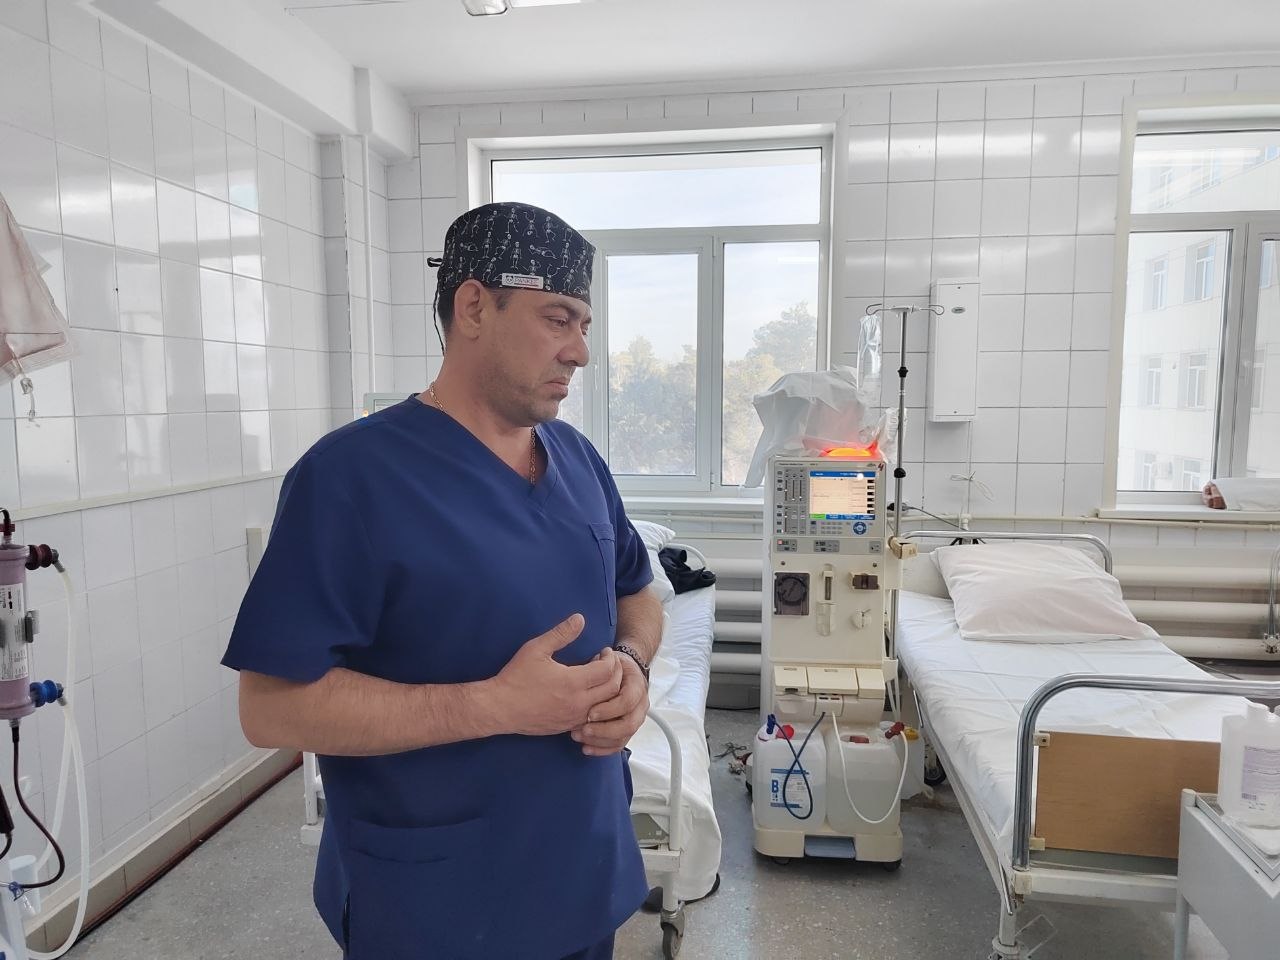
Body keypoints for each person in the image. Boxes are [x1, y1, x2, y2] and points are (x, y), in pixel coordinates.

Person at [222, 201, 664, 960]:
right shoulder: (350, 478)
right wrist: (491, 705)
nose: (581, 352)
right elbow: (270, 708)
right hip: (438, 903)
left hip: (585, 877)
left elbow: (637, 592)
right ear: (474, 307)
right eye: (558, 319)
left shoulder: (580, 461)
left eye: (585, 324)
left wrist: (632, 664)